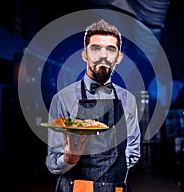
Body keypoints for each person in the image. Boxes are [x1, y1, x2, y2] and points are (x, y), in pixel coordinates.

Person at [46, 19, 141, 192]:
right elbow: (52, 163)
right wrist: (69, 160)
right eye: (96, 48)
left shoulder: (128, 100)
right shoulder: (63, 99)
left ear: (118, 58)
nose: (103, 55)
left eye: (111, 49)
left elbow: (132, 153)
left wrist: (113, 176)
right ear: (85, 54)